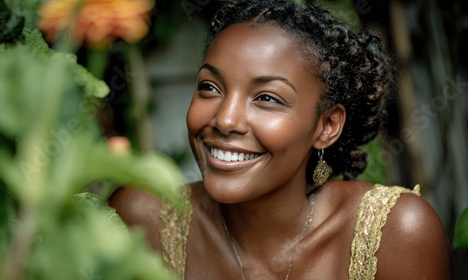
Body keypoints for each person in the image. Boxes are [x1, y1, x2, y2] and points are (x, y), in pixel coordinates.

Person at [109, 0, 454, 279]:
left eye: (267, 98)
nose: (225, 119)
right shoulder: (143, 220)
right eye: (209, 88)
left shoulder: (396, 235)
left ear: (326, 125)